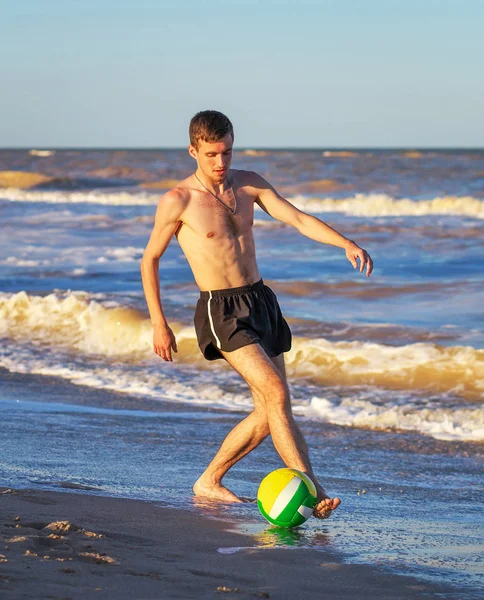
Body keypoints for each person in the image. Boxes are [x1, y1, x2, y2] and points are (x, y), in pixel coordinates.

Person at [140, 110, 373, 518]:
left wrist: (346, 243)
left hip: (260, 300)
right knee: (277, 394)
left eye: (227, 152)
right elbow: (150, 260)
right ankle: (314, 493)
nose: (220, 162)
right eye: (211, 154)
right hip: (221, 309)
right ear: (193, 150)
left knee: (271, 410)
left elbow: (297, 218)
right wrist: (159, 323)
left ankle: (209, 481)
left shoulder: (248, 184)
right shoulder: (179, 200)